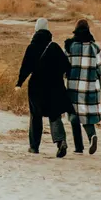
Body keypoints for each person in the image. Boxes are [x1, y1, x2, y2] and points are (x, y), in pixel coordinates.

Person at [15, 18, 71, 158]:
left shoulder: (32, 47)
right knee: (54, 114)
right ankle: (61, 141)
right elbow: (66, 66)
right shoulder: (54, 47)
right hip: (54, 86)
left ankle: (34, 147)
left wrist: (19, 83)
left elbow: (25, 67)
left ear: (35, 29)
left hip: (36, 87)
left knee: (36, 116)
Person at [65, 19, 101, 154]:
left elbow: (63, 67)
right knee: (87, 115)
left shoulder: (69, 47)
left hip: (73, 88)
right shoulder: (94, 47)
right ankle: (92, 135)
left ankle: (78, 147)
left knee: (74, 116)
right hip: (90, 88)